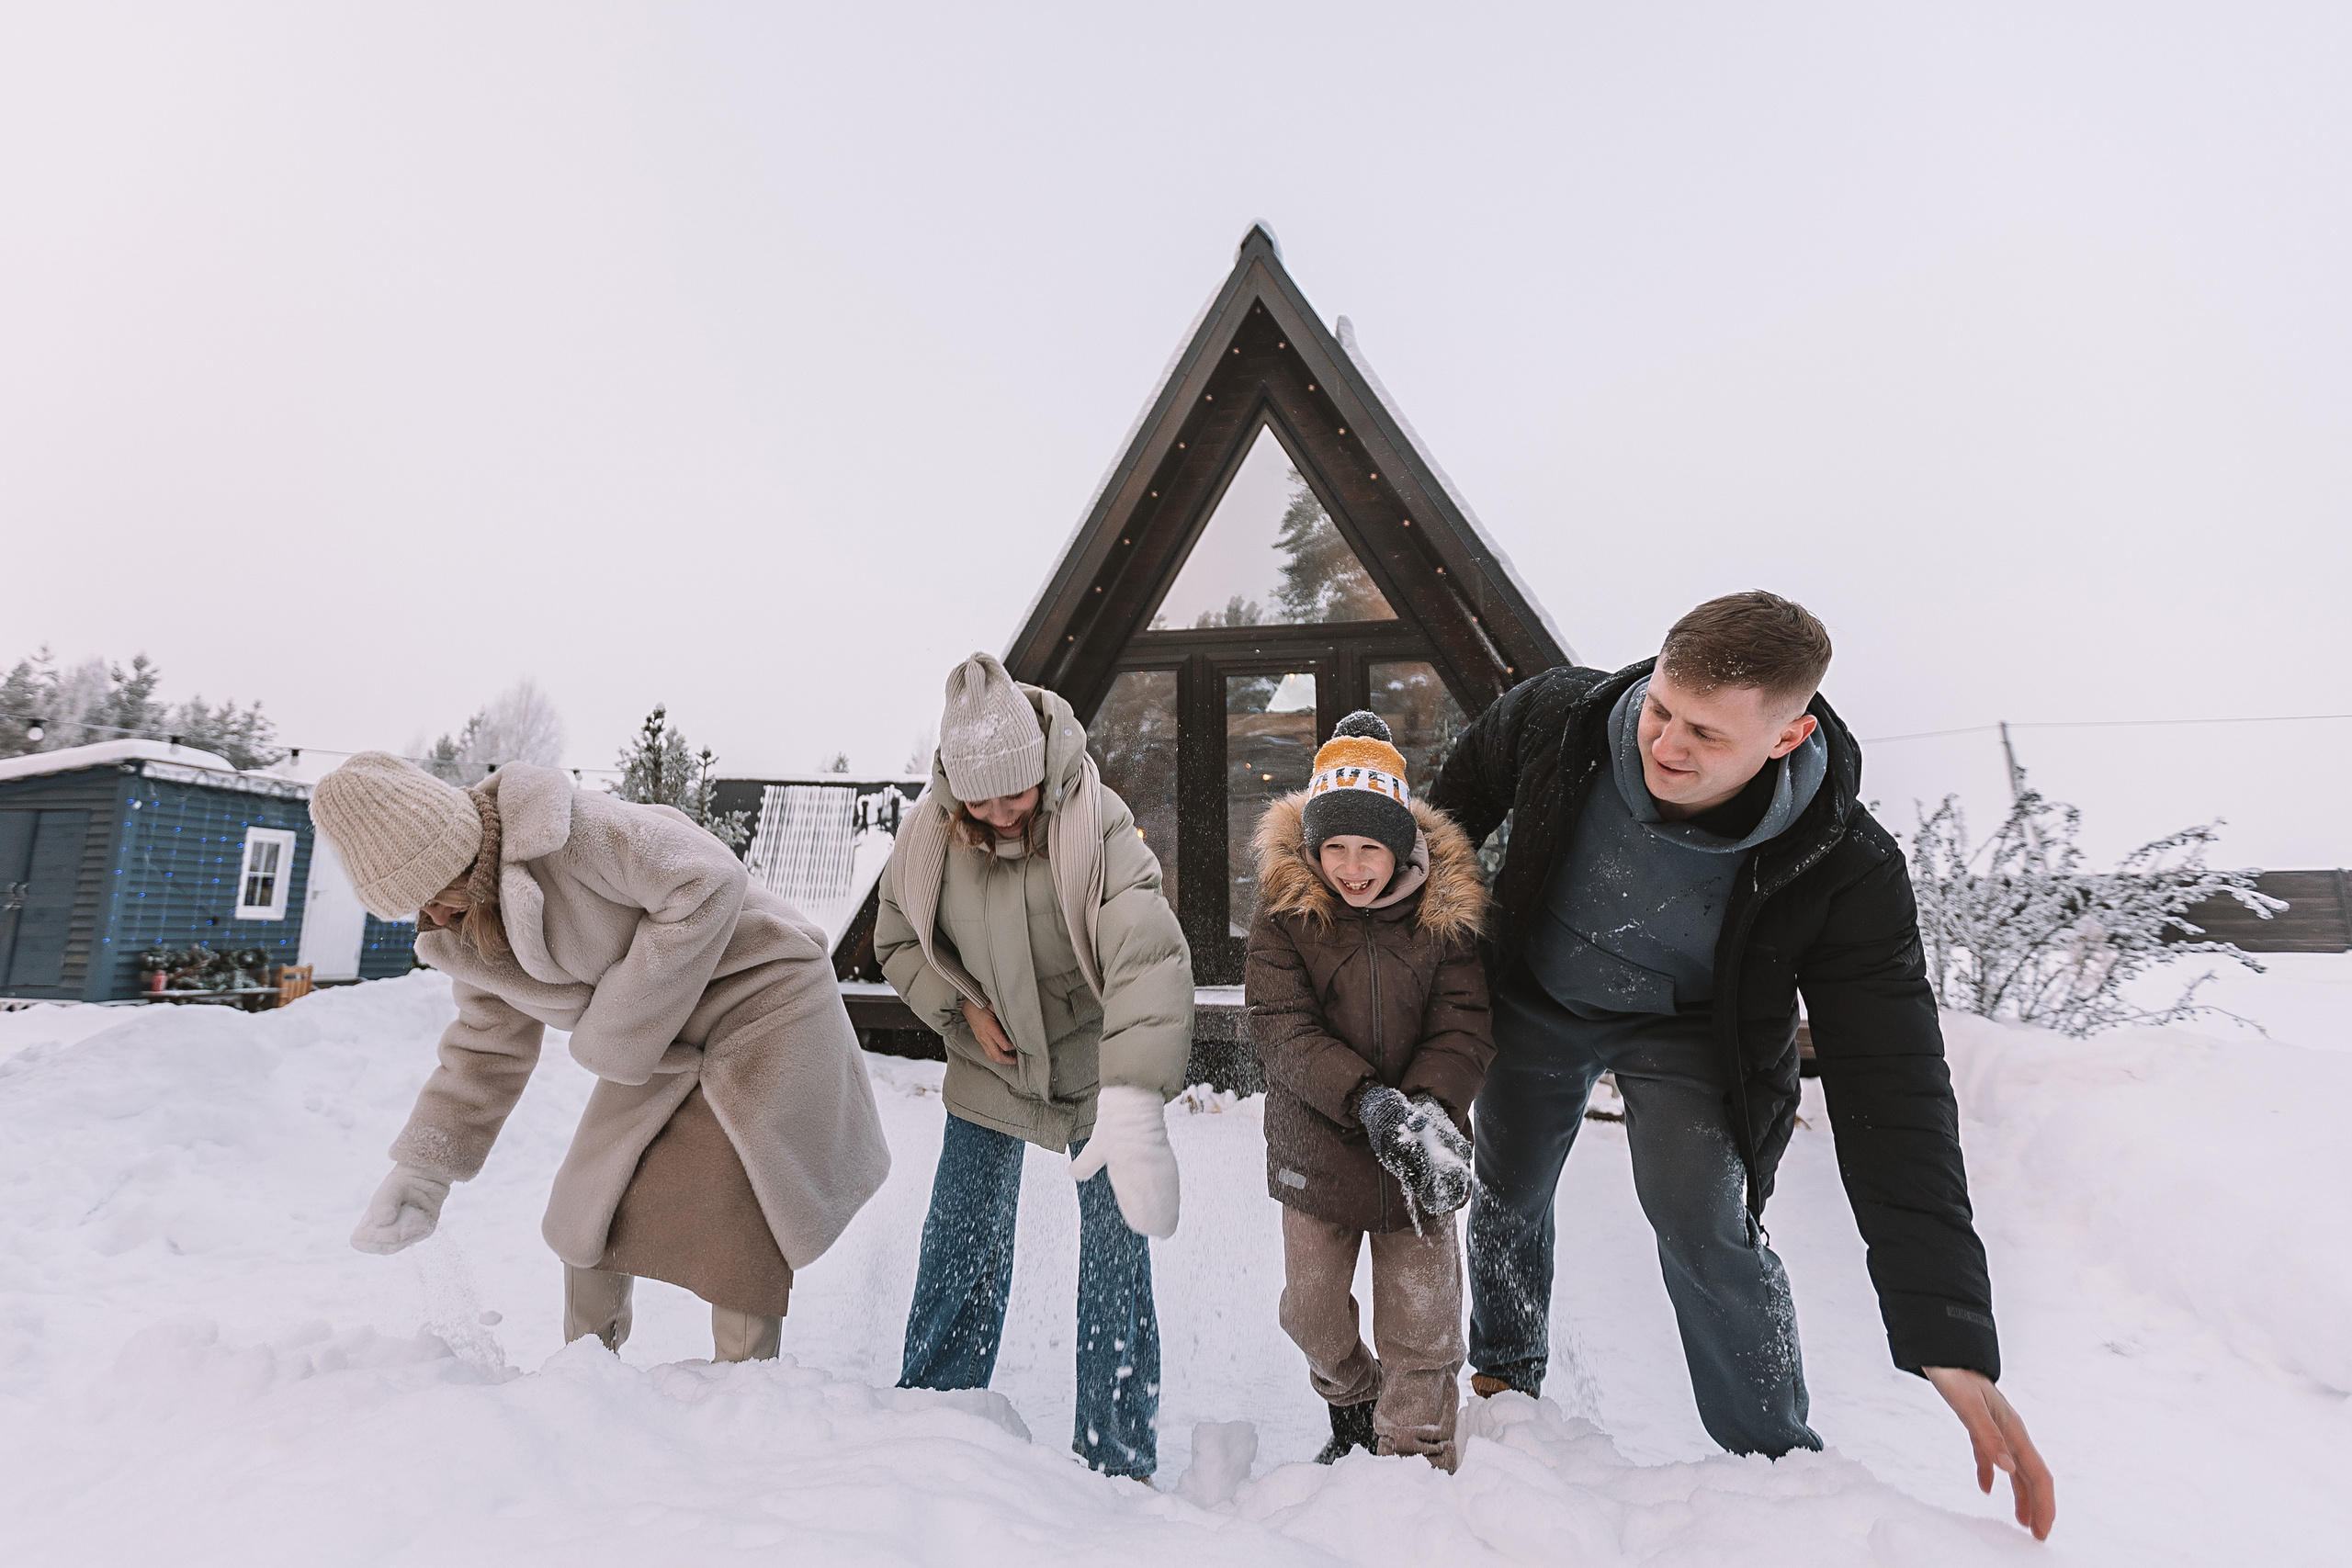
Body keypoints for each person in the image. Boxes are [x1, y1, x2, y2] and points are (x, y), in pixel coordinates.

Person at [1427, 591, 2056, 1540]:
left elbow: (1893, 1085)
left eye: (1707, 737)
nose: (1666, 745)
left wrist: (1947, 1334)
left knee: (1699, 1213)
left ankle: (1774, 1461)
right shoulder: (1560, 720)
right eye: (1662, 709)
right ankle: (1506, 1378)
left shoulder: (1843, 863)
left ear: (1786, 735)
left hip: (1686, 1034)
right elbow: (1438, 826)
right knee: (1507, 1184)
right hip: (1536, 1000)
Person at [314, 750, 890, 1363]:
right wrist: (424, 1174)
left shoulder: (572, 833)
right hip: (663, 1033)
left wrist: (616, 1029)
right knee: (590, 1203)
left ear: (457, 851)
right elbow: (484, 1049)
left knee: (744, 1198)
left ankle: (747, 1387)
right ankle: (588, 1372)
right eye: (413, 906)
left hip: (763, 998)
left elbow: (709, 880)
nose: (431, 916)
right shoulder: (472, 930)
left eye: (434, 891)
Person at [875, 652, 1193, 1481]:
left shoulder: (1097, 821)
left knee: (1115, 1258)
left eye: (1013, 790)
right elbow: (897, 940)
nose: (999, 809)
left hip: (1094, 1065)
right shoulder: (930, 840)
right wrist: (961, 1011)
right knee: (961, 1239)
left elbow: (1147, 960)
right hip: (992, 1061)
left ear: (1039, 767)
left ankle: (1116, 1455)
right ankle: (935, 1412)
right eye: (979, 796)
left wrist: (1132, 1095)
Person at [1245, 711, 1493, 1472]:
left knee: (1423, 1319)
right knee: (1313, 1310)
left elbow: (1465, 1026)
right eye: (1336, 849)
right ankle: (1354, 1397)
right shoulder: (1285, 916)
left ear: (1401, 846)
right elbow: (1281, 1025)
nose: (1353, 868)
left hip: (1418, 1149)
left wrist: (1418, 1113)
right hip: (1318, 1142)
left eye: (1370, 848)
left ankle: (1413, 1451)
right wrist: (1366, 1101)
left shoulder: (1444, 916)